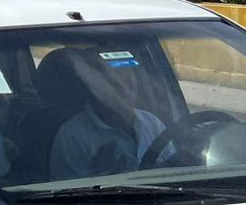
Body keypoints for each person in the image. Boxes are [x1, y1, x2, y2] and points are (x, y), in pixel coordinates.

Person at [48, 50, 172, 179]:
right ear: (92, 88)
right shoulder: (71, 135)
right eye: (114, 83)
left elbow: (173, 170)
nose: (125, 85)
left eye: (129, 80)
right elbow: (66, 193)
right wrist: (103, 174)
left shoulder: (152, 122)